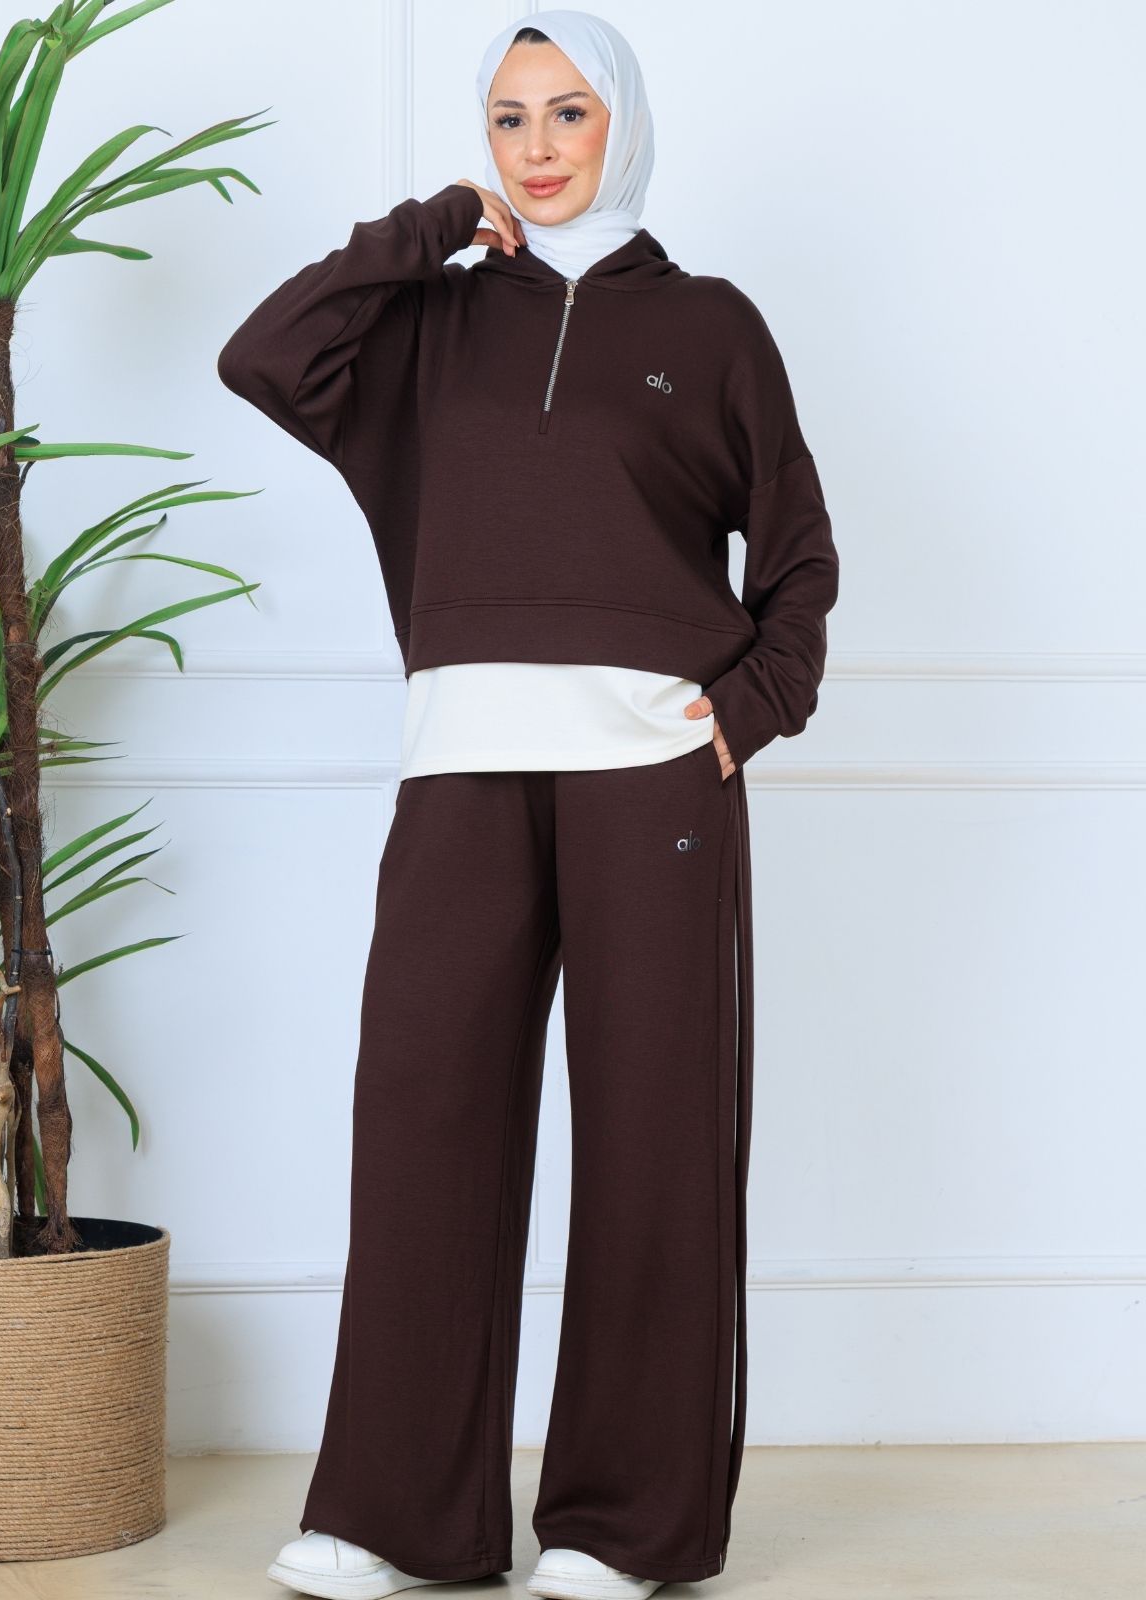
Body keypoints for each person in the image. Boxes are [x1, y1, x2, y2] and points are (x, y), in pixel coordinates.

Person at [217, 11, 839, 1600]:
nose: (540, 146)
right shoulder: (433, 320)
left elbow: (797, 557)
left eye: (569, 112)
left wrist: (747, 712)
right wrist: (429, 229)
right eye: (508, 119)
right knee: (424, 1120)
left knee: (652, 1138)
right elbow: (265, 356)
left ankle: (626, 1527)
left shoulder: (710, 325)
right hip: (462, 761)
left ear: (621, 122)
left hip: (656, 770)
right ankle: (396, 1516)